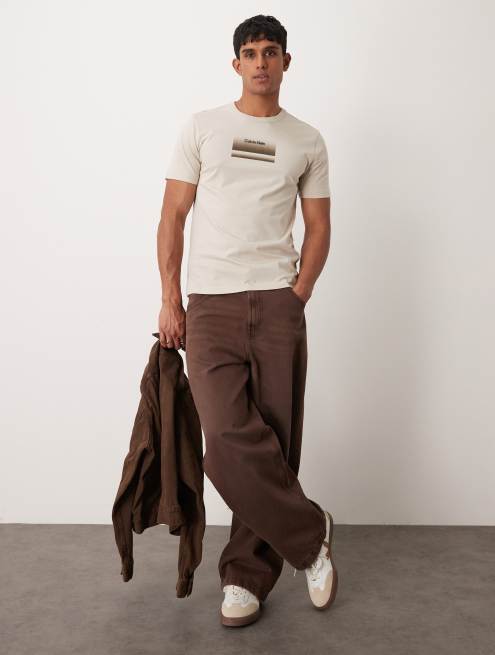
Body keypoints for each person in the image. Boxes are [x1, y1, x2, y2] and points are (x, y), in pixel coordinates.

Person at [157, 14, 338, 627]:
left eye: (271, 52)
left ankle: (245, 577)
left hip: (278, 301)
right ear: (236, 64)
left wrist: (298, 293)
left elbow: (319, 224)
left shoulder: (307, 140)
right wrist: (170, 299)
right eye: (251, 52)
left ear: (287, 62)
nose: (261, 62)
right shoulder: (203, 128)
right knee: (227, 439)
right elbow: (172, 215)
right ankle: (311, 534)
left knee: (275, 440)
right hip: (211, 303)